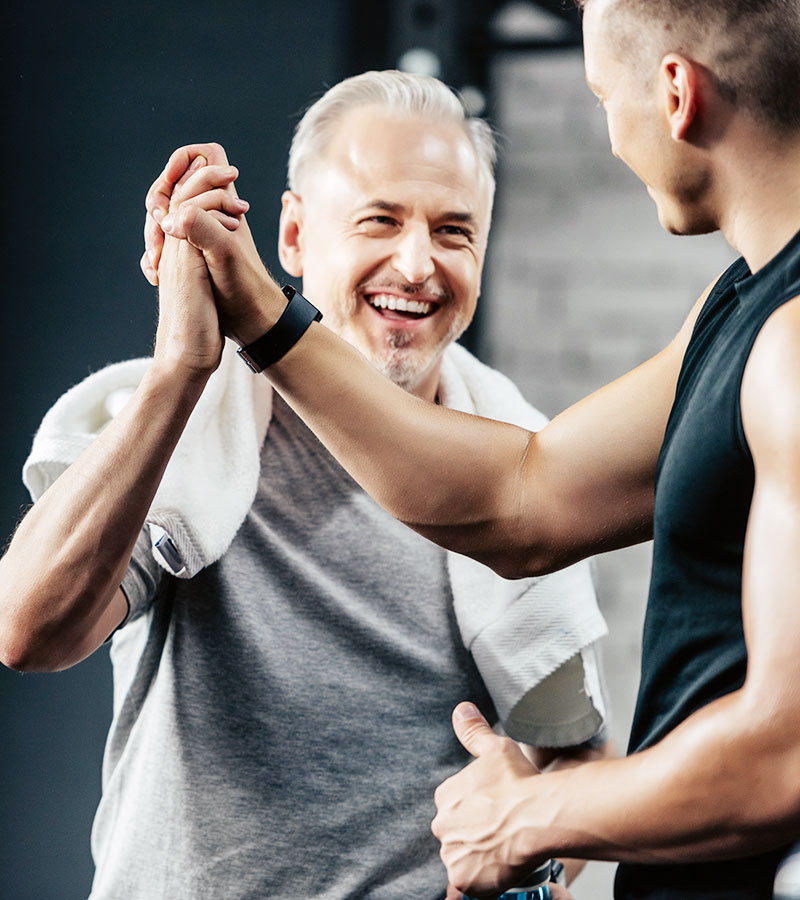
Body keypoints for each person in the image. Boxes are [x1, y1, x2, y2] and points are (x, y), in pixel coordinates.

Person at [129, 0, 800, 897]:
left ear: (675, 95)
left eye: (604, 95)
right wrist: (256, 312)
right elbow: (524, 496)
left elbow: (785, 757)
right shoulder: (740, 315)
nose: (608, 132)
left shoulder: (795, 347)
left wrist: (525, 818)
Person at [0, 72, 613, 899]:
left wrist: (534, 864)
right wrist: (182, 369)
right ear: (292, 236)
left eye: (454, 231)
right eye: (380, 220)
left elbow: (571, 757)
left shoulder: (514, 465)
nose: (417, 262)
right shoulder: (192, 441)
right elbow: (30, 631)